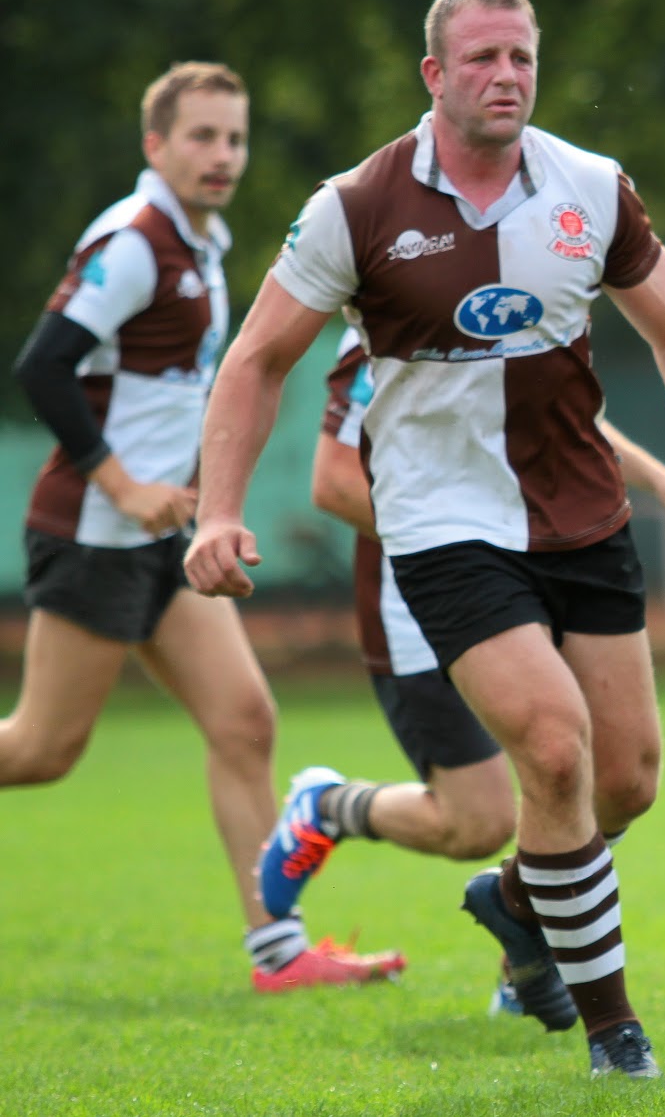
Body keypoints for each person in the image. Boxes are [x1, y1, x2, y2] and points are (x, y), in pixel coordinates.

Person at [185, 0, 665, 1083]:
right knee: (549, 750)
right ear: (435, 76)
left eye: (522, 58)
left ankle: (513, 896)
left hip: (579, 519)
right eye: (483, 58)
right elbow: (254, 361)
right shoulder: (354, 207)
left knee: (624, 779)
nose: (506, 77)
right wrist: (216, 511)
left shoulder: (591, 186)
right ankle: (613, 1034)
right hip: (443, 528)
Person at [4, 61, 405, 993]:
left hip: (159, 540)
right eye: (202, 136)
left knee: (246, 719)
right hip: (95, 532)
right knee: (40, 750)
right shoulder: (136, 241)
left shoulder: (203, 242)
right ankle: (279, 947)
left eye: (234, 137)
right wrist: (124, 481)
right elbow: (43, 365)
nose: (223, 155)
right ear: (156, 145)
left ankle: (279, 952)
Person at [255, 326, 665, 1030]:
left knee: (601, 775)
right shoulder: (386, 313)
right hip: (424, 603)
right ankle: (329, 807)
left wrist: (658, 480)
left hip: (540, 571)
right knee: (477, 823)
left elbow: (560, 423)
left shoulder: (518, 289)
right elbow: (334, 482)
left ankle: (524, 953)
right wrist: (468, 542)